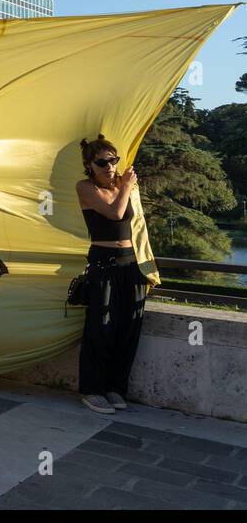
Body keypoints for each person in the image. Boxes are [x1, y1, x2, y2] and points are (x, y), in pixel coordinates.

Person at [75, 135, 149, 415]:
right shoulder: (85, 187)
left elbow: (136, 220)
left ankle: (115, 387)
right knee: (101, 326)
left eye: (113, 161)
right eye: (102, 162)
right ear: (89, 165)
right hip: (103, 263)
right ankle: (92, 390)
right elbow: (115, 214)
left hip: (131, 263)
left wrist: (128, 185)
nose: (109, 166)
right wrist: (127, 184)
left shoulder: (123, 186)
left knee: (129, 326)